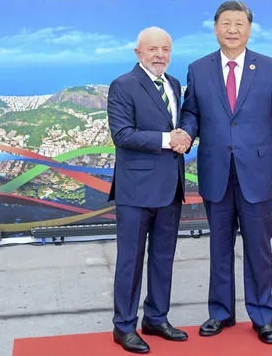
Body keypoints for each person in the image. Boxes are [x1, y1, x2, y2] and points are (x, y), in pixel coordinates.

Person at [176, 0, 272, 345]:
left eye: (239, 24)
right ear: (215, 28)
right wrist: (186, 133)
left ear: (249, 29)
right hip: (216, 171)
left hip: (258, 173)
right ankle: (220, 312)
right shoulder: (198, 69)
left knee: (258, 247)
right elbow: (192, 113)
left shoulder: (270, 68)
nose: (232, 29)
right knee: (219, 246)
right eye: (226, 23)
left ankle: (262, 316)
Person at [107, 26, 191, 354]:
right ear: (138, 53)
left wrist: (183, 136)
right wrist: (168, 140)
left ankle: (156, 318)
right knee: (130, 260)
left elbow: (180, 126)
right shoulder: (123, 85)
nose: (159, 55)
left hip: (170, 187)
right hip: (135, 190)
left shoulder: (174, 84)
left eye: (165, 49)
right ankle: (124, 326)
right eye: (153, 49)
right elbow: (122, 134)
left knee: (163, 257)